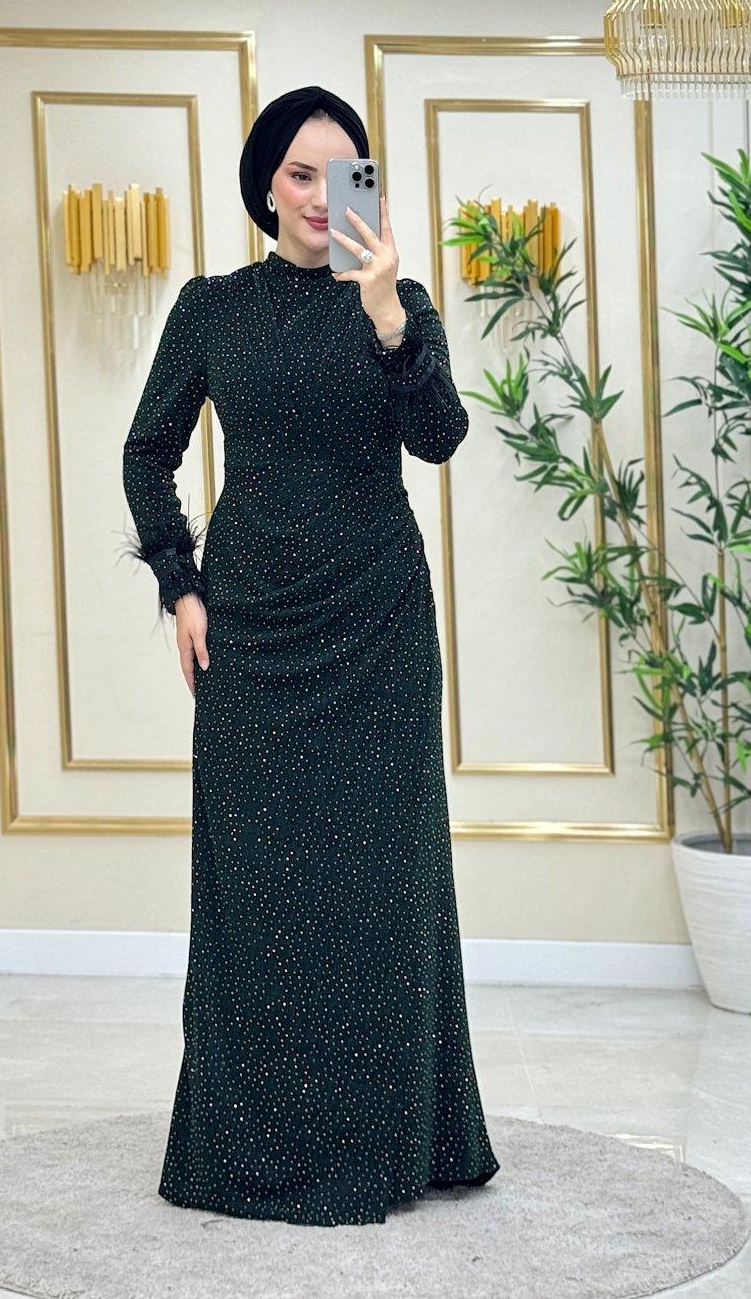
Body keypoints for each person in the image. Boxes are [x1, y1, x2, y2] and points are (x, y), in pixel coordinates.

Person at [122, 85, 500, 1227]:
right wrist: (180, 585)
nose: (319, 197)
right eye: (299, 173)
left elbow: (439, 436)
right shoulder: (210, 307)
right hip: (250, 625)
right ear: (266, 185)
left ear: (364, 187)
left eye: (341, 175)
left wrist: (386, 317)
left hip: (377, 620)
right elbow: (146, 451)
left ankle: (394, 1138)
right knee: (254, 883)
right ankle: (250, 1143)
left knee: (382, 882)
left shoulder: (399, 300)